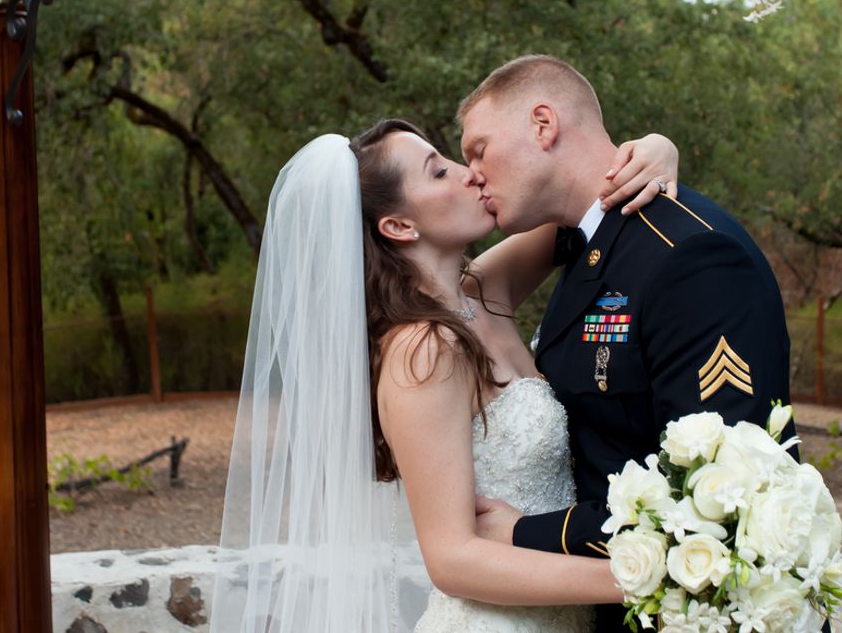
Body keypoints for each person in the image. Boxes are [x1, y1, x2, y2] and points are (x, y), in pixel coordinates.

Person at [209, 115, 681, 631]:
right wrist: (639, 578)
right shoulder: (423, 351)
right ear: (399, 226)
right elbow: (452, 560)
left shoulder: (485, 294)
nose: (470, 174)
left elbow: (585, 199)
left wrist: (657, 150)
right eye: (438, 172)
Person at [461, 55, 799, 632]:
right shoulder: (587, 240)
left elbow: (721, 500)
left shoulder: (691, 257)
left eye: (478, 150)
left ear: (543, 124)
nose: (472, 174)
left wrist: (524, 533)